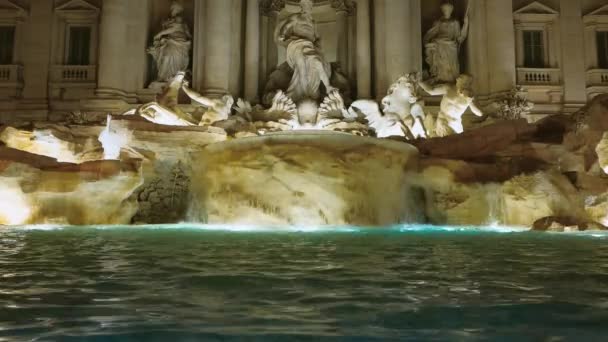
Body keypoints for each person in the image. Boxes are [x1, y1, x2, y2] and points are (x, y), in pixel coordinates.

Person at [274, 0, 338, 103]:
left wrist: (319, 45)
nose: (306, 7)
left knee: (317, 62)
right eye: (304, 5)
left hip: (309, 46)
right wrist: (282, 34)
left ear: (311, 7)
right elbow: (286, 26)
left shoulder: (313, 22)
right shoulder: (296, 17)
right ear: (301, 6)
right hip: (296, 45)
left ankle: (327, 86)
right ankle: (301, 95)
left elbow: (317, 36)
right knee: (301, 67)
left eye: (308, 5)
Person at [419, 75, 484, 137]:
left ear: (468, 85)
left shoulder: (470, 96)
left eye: (466, 84)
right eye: (461, 82)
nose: (462, 85)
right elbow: (431, 91)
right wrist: (419, 82)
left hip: (456, 123)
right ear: (457, 81)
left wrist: (470, 100)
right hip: (443, 119)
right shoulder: (448, 88)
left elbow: (480, 113)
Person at [424, 1, 469, 83]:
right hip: (440, 44)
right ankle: (439, 77)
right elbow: (430, 34)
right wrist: (429, 42)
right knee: (439, 60)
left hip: (451, 47)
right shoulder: (438, 22)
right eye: (445, 9)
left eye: (448, 9)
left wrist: (466, 24)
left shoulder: (455, 23)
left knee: (451, 65)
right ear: (442, 10)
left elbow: (460, 37)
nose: (446, 11)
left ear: (451, 10)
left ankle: (451, 80)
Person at [148, 1, 192, 82]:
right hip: (169, 42)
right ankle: (164, 77)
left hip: (180, 43)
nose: (174, 10)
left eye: (176, 9)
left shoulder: (181, 21)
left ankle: (175, 78)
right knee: (166, 57)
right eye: (173, 8)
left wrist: (159, 34)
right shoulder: (166, 20)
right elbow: (166, 29)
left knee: (175, 59)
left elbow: (175, 29)